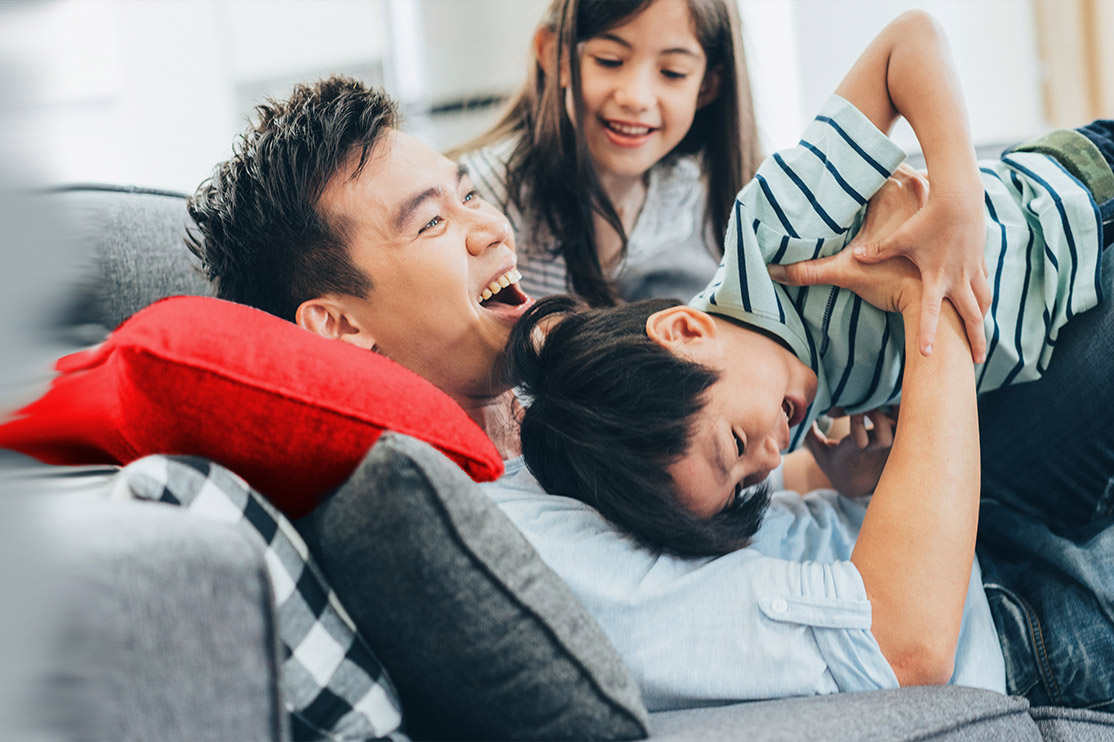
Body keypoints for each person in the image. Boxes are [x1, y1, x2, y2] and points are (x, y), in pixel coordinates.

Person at [184, 24, 1112, 714]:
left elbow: (717, 511)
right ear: (339, 328)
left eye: (469, 196)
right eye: (432, 223)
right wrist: (933, 306)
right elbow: (899, 643)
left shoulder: (525, 431)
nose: (489, 229)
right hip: (1015, 605)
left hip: (972, 514)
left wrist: (819, 467)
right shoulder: (506, 539)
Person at [503, 9, 1113, 551]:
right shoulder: (779, 405)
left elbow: (910, 42)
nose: (767, 461)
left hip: (1080, 218)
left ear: (685, 330)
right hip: (1055, 340)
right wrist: (844, 477)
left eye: (739, 446)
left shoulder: (774, 234)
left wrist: (957, 200)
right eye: (747, 482)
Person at [451, 0, 761, 306]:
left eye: (673, 72)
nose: (636, 98)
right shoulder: (485, 198)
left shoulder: (697, 191)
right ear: (555, 55)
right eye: (610, 60)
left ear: (707, 86)